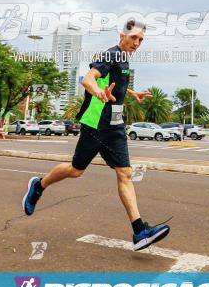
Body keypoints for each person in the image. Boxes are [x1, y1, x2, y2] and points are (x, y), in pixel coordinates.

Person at [21, 18, 170, 251]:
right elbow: (89, 78)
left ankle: (139, 231)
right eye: (133, 38)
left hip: (115, 125)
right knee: (75, 171)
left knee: (125, 173)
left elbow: (116, 82)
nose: (137, 43)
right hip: (96, 124)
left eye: (141, 40)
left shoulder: (123, 60)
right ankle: (38, 186)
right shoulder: (111, 55)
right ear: (122, 35)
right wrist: (98, 91)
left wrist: (132, 93)